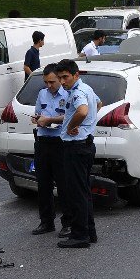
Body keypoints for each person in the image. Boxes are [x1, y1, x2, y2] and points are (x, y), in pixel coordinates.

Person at [54, 59, 99, 248]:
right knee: (83, 190)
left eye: (66, 77)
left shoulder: (78, 92)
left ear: (76, 75)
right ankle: (88, 232)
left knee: (77, 192)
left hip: (76, 146)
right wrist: (88, 124)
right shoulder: (86, 89)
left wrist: (74, 125)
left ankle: (80, 235)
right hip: (84, 144)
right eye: (60, 78)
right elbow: (99, 103)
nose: (63, 81)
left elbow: (82, 110)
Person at [30, 64, 72, 237]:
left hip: (60, 142)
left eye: (52, 82)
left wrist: (51, 120)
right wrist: (38, 119)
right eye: (46, 82)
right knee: (43, 184)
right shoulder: (42, 94)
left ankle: (68, 223)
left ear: (60, 79)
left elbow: (70, 116)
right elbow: (38, 113)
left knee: (63, 184)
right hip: (42, 141)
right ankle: (46, 221)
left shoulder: (68, 94)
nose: (49, 85)